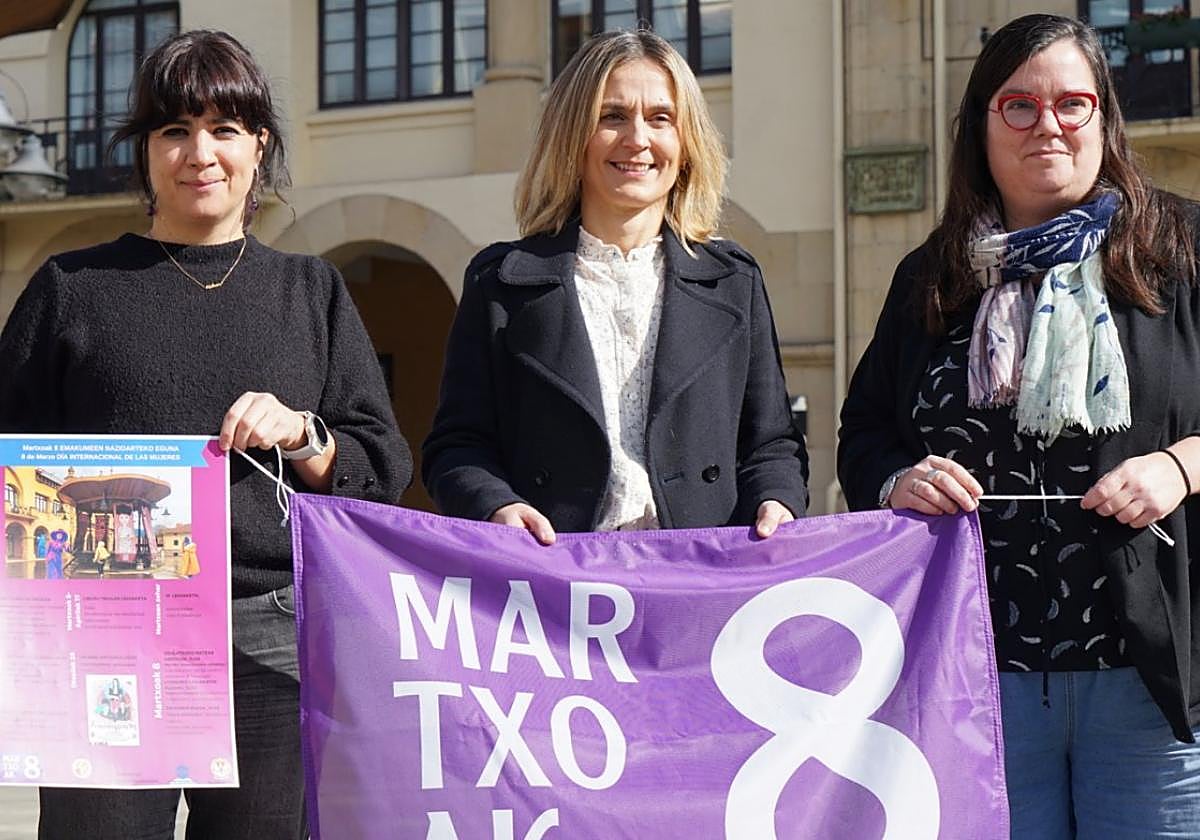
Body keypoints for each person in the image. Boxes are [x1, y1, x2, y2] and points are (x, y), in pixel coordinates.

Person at [0, 30, 411, 839]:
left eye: (224, 129)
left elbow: (380, 466)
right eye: (174, 130)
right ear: (146, 150)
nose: (200, 153)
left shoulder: (311, 291)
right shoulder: (71, 289)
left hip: (272, 636)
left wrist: (303, 434)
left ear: (259, 146)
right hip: (105, 635)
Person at [838, 14, 1200, 838]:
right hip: (974, 683)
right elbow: (864, 433)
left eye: (1072, 103)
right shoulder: (931, 277)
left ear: (1103, 118)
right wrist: (898, 480)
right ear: (982, 124)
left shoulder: (1181, 251)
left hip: (1152, 684)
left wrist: (1181, 466)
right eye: (1019, 105)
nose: (1049, 125)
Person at [423, 29, 807, 542]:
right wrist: (498, 505)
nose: (638, 139)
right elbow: (456, 447)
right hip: (556, 572)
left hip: (701, 571)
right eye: (613, 116)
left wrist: (775, 501)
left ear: (686, 144)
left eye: (661, 118)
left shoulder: (735, 281)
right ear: (572, 136)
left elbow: (773, 445)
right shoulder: (499, 283)